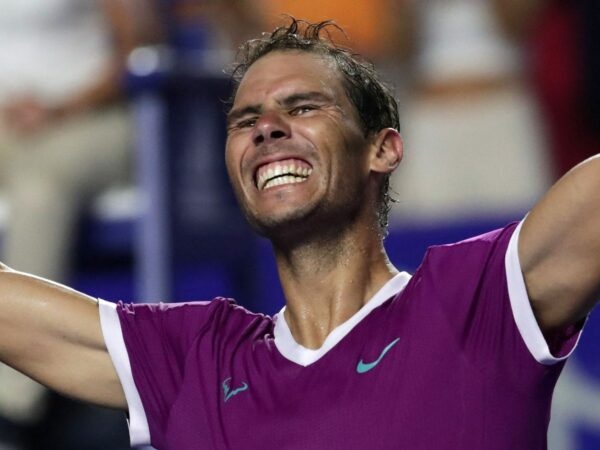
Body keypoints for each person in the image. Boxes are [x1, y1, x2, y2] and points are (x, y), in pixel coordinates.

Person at [0, 18, 598, 449]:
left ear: (382, 149)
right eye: (244, 120)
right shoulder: (198, 361)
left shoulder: (473, 301)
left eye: (304, 107)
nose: (266, 129)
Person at [0, 0, 154, 447]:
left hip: (90, 120)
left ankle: (11, 409)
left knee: (38, 191)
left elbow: (139, 49)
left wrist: (61, 109)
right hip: (9, 127)